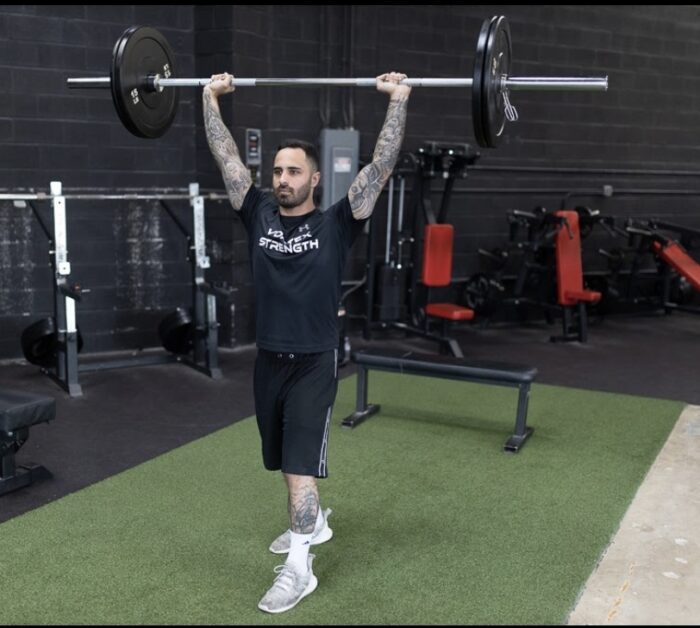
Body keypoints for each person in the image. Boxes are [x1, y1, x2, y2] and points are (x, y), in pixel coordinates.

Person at [203, 71, 411, 614]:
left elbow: (380, 167)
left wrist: (398, 102)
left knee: (299, 466)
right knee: (280, 461)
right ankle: (312, 524)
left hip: (314, 364)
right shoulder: (258, 214)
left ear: (315, 179)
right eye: (277, 170)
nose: (283, 179)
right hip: (267, 361)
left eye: (294, 171)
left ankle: (300, 568)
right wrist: (208, 99)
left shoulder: (339, 224)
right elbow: (226, 157)